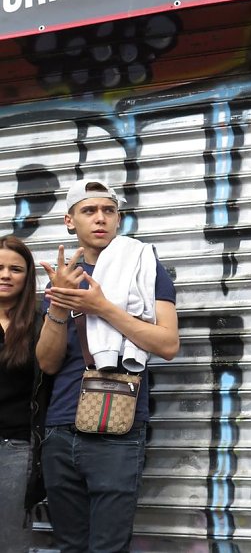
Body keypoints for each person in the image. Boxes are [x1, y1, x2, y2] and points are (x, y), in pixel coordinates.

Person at [36, 179, 180, 553]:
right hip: (60, 429)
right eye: (89, 211)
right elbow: (47, 364)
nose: (100, 218)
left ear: (118, 219)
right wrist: (57, 306)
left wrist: (104, 308)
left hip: (117, 429)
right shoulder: (60, 280)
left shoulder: (144, 267)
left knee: (108, 547)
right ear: (70, 221)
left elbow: (167, 344)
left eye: (108, 210)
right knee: (70, 545)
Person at [0, 235, 50, 552]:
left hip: (15, 448)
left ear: (27, 276)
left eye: (15, 269)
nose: (5, 275)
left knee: (10, 540)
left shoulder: (38, 324)